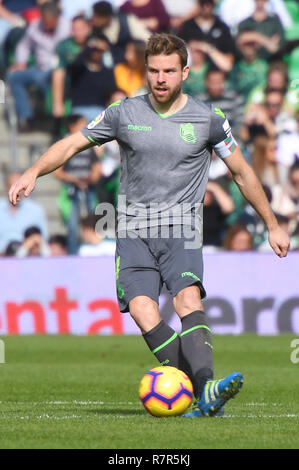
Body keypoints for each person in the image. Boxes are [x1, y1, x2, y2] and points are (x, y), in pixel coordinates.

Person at [8, 33, 290, 418]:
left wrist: (272, 224)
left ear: (185, 72)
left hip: (182, 229)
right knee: (142, 310)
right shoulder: (123, 113)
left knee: (187, 299)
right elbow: (73, 143)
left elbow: (241, 172)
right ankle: (201, 390)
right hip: (134, 232)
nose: (160, 79)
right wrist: (33, 171)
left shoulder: (209, 119)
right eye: (154, 71)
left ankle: (205, 385)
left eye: (169, 71)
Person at [6, 1, 71, 130]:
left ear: (57, 17)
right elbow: (24, 46)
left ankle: (51, 114)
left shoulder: (67, 27)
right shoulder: (35, 26)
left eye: (50, 21)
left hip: (61, 72)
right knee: (13, 77)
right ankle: (26, 116)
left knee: (42, 79)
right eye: (45, 21)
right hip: (39, 68)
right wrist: (21, 62)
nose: (47, 25)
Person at [53, 114, 102, 254]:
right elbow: (56, 171)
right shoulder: (65, 145)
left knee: (92, 224)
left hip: (88, 191)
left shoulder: (90, 144)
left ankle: (93, 252)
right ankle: (74, 255)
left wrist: (91, 178)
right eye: (82, 124)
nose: (86, 127)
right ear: (72, 126)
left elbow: (96, 168)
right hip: (71, 193)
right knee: (73, 227)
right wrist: (75, 180)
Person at [51, 14, 91, 119]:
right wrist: (58, 103)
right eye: (74, 29)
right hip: (71, 86)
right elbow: (58, 71)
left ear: (88, 28)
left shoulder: (96, 44)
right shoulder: (63, 46)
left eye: (81, 29)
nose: (78, 33)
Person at [179, 0, 235, 73]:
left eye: (209, 4)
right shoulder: (187, 26)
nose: (206, 7)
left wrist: (207, 48)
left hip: (216, 74)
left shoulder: (222, 27)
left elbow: (228, 64)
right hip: (191, 72)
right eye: (203, 4)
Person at [0, 171, 48, 254]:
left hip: (26, 259)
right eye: (12, 187)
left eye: (19, 187)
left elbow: (42, 240)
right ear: (6, 188)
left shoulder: (36, 211)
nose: (16, 191)